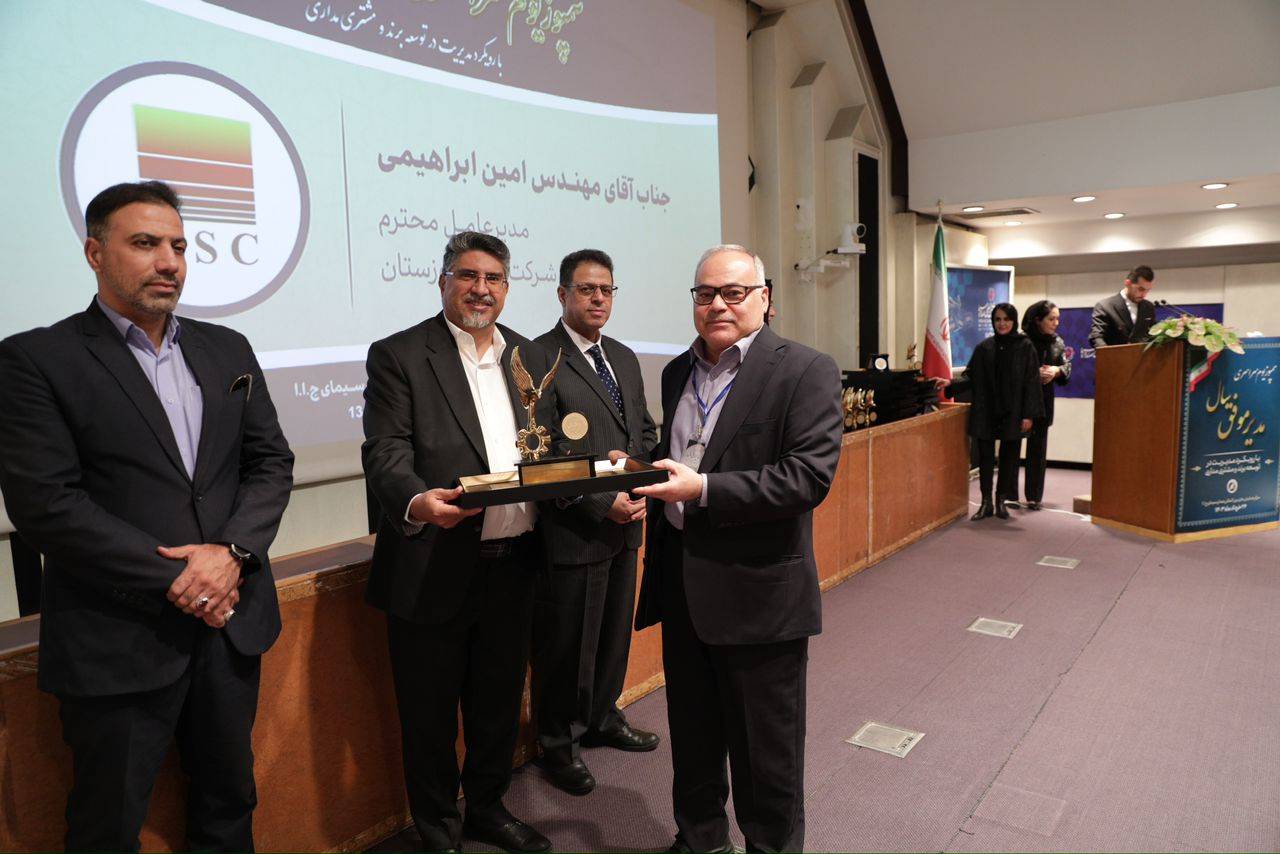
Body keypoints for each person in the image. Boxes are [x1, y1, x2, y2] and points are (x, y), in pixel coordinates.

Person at [0, 180, 294, 851]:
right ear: (94, 253)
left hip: (230, 626)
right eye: (145, 243)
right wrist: (184, 579)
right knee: (107, 824)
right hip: (118, 636)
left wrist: (231, 555)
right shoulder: (36, 360)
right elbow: (46, 504)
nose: (169, 261)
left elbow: (270, 463)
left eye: (179, 246)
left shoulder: (228, 348)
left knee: (229, 803)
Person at [630, 244, 843, 853]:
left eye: (734, 292)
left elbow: (806, 478)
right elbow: (685, 453)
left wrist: (702, 490)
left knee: (766, 756)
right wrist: (636, 473)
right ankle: (700, 840)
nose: (718, 304)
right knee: (693, 737)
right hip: (684, 588)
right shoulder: (677, 371)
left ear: (764, 298)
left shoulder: (805, 369)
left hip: (759, 597)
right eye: (705, 294)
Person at [361, 231, 558, 853]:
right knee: (429, 714)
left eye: (493, 278)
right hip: (433, 562)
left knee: (497, 704)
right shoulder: (399, 354)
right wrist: (416, 501)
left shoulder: (529, 355)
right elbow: (385, 451)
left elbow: (547, 447)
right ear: (444, 280)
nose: (481, 289)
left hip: (514, 565)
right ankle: (439, 828)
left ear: (507, 287)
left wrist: (592, 472)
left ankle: (489, 809)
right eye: (468, 276)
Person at [530, 249, 660, 796]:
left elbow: (644, 432)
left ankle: (604, 717)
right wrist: (599, 501)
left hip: (626, 523)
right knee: (566, 647)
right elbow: (540, 452)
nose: (598, 299)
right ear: (563, 294)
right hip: (574, 528)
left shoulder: (623, 357)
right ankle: (557, 745)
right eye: (586, 289)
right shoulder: (536, 357)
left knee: (611, 637)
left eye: (606, 289)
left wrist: (638, 482)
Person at [940, 302, 1043, 519]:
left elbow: (1032, 382)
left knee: (1008, 458)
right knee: (985, 457)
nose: (1002, 323)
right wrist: (950, 384)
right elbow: (971, 376)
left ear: (1014, 321)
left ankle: (1000, 501)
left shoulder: (1026, 347)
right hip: (986, 410)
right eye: (998, 319)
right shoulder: (984, 347)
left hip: (1013, 411)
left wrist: (1028, 414)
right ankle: (986, 502)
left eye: (1006, 319)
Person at [1020, 300, 1072, 510]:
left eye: (1058, 319)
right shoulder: (1022, 341)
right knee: (1011, 447)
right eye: (1051, 319)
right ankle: (1007, 495)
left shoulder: (1057, 341)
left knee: (1038, 450)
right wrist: (1035, 374)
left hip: (1043, 401)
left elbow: (1066, 366)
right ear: (1037, 320)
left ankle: (1034, 497)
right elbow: (1010, 371)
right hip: (1020, 401)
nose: (1056, 323)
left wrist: (1056, 371)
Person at [1089, 265, 1156, 348]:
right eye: (1140, 289)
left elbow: (1153, 334)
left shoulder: (1148, 307)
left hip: (1141, 355)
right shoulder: (1105, 306)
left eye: (1147, 290)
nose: (1144, 294)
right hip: (1114, 355)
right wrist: (1108, 353)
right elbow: (1096, 337)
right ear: (1127, 283)